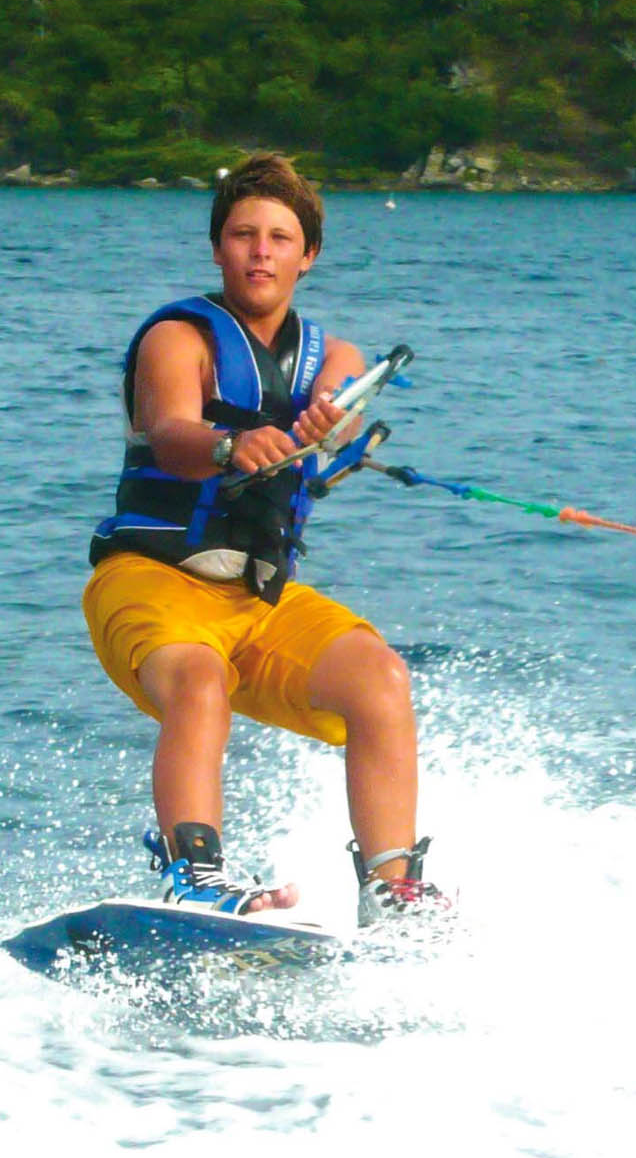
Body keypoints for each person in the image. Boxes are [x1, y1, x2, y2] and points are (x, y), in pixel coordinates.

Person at [83, 154, 448, 925]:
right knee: (198, 678)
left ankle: (393, 892)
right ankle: (197, 877)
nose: (260, 251)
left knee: (379, 677)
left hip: (255, 601)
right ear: (218, 247)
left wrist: (330, 424)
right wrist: (228, 447)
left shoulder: (336, 357)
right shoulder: (178, 338)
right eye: (243, 234)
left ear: (306, 255)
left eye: (279, 237)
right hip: (151, 581)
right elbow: (172, 430)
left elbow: (338, 408)